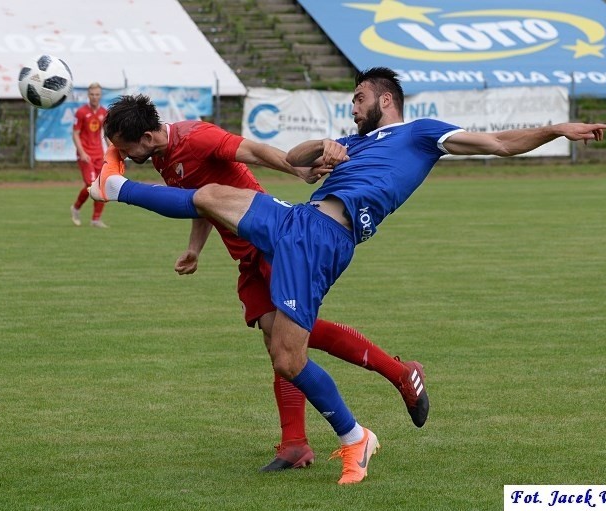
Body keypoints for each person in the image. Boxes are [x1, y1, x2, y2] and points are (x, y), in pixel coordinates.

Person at [90, 68, 606, 484]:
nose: (352, 106)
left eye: (359, 97)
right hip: (298, 219)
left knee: (288, 357)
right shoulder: (354, 143)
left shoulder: (422, 134)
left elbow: (499, 143)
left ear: (384, 99)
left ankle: (354, 436)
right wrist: (321, 147)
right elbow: (294, 161)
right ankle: (112, 189)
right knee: (208, 199)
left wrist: (554, 130)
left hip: (323, 240)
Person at [98, 94, 429, 474]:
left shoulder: (197, 136)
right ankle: (296, 443)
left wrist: (296, 170)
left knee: (292, 344)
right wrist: (194, 249)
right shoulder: (160, 155)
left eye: (126, 150)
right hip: (246, 255)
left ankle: (394, 378)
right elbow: (203, 199)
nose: (124, 156)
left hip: (269, 240)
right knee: (281, 345)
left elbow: (251, 150)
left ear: (146, 136)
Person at [71, 82, 108, 227]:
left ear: (100, 95)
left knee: (102, 186)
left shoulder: (104, 113)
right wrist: (82, 152)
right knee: (91, 184)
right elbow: (75, 134)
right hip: (85, 154)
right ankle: (76, 207)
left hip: (99, 154)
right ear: (88, 95)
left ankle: (95, 219)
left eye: (97, 94)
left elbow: (107, 135)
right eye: (92, 94)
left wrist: (112, 151)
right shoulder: (81, 112)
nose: (94, 97)